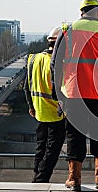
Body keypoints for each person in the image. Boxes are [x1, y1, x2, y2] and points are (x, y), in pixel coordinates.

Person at [51, 0, 98, 191]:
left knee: (75, 135)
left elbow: (56, 64)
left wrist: (56, 92)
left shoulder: (68, 30)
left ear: (81, 12)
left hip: (75, 92)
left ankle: (74, 179)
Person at [24, 27, 66, 183]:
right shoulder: (58, 64)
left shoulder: (33, 59)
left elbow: (26, 86)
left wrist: (31, 106)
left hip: (39, 112)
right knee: (52, 150)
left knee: (41, 147)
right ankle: (41, 178)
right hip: (56, 113)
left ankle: (37, 174)